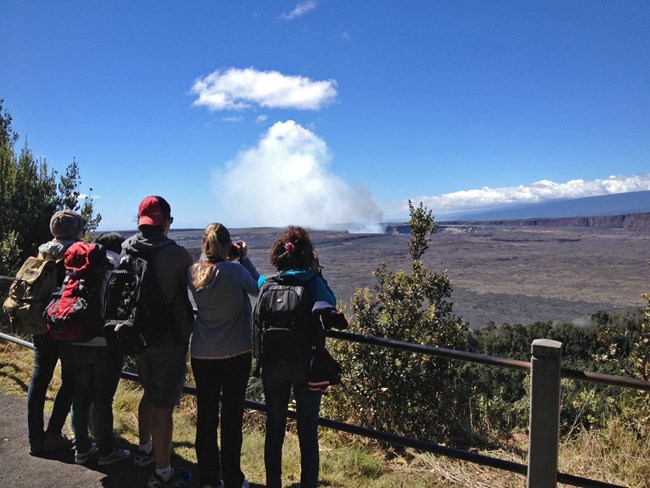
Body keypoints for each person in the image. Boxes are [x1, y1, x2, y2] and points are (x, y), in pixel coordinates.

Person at [255, 226, 337, 488]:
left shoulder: (268, 284)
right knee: (307, 431)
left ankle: (273, 484)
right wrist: (317, 272)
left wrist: (244, 259)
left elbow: (254, 280)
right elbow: (331, 300)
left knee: (274, 428)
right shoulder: (312, 283)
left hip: (272, 366)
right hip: (307, 367)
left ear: (279, 255)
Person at [122, 196, 194, 488]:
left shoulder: (127, 247)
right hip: (168, 338)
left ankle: (144, 450)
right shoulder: (177, 255)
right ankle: (162, 472)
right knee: (164, 404)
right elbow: (196, 290)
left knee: (149, 392)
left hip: (137, 335)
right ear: (167, 222)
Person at [188, 223, 260, 488]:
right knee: (231, 419)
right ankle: (232, 477)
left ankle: (208, 477)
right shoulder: (236, 271)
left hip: (202, 354)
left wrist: (224, 256)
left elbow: (208, 268)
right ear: (229, 245)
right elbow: (260, 289)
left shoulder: (193, 271)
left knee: (206, 418)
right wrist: (243, 258)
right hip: (235, 354)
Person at [27, 209, 85, 456]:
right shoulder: (76, 254)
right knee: (70, 380)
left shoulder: (41, 252)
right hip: (64, 325)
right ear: (75, 230)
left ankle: (34, 440)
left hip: (40, 323)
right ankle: (53, 435)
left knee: (39, 379)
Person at [70, 232, 131, 466]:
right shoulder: (118, 264)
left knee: (80, 397)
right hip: (106, 342)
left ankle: (82, 448)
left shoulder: (82, 262)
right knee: (103, 399)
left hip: (76, 337)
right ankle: (106, 452)